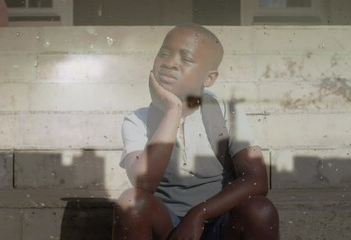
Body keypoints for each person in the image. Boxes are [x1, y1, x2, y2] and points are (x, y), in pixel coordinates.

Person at [113, 23, 279, 240]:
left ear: (209, 78)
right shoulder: (138, 120)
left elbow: (256, 180)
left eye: (186, 59)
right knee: (130, 202)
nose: (170, 63)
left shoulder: (225, 113)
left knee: (260, 209)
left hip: (218, 223)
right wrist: (173, 110)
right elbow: (144, 184)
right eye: (164, 53)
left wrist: (198, 215)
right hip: (167, 227)